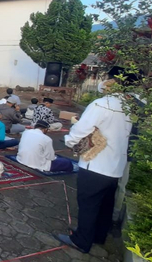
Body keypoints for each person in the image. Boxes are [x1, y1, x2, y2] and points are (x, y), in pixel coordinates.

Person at [57, 89, 132, 253]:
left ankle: (81, 240)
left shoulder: (102, 104)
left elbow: (82, 128)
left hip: (96, 164)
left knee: (88, 204)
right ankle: (98, 235)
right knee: (106, 204)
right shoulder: (130, 107)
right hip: (116, 166)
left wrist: (69, 141)